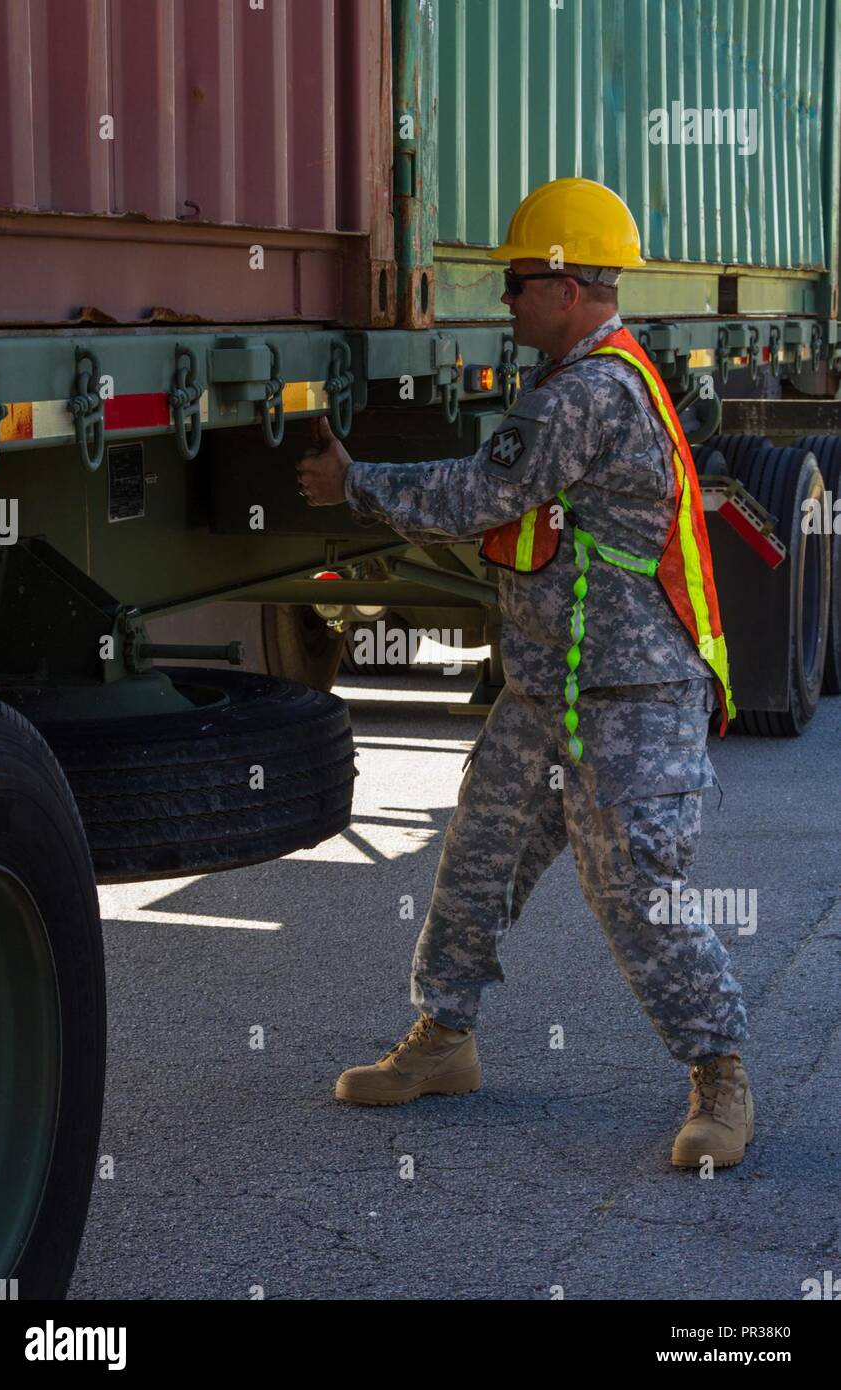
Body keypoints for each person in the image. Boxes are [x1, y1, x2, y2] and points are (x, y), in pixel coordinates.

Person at [296, 177, 753, 1170]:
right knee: (476, 861)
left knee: (635, 886)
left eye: (515, 281)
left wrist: (353, 483)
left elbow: (477, 492)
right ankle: (444, 1039)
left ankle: (719, 1073)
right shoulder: (579, 377)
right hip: (550, 689)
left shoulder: (589, 393)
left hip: (627, 700)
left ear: (567, 284)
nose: (504, 301)